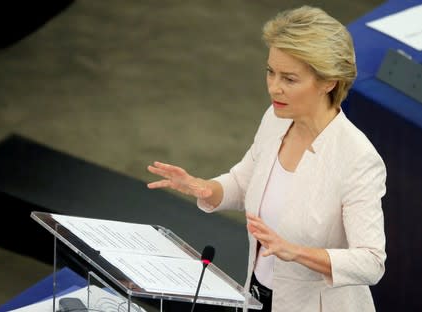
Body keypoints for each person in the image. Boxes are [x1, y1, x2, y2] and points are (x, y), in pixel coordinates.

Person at [147, 5, 386, 312]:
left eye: (289, 78)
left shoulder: (358, 159)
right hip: (259, 296)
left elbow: (371, 262)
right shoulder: (276, 120)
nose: (274, 87)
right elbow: (243, 182)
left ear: (329, 82)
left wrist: (296, 252)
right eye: (270, 72)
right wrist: (205, 188)